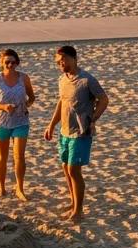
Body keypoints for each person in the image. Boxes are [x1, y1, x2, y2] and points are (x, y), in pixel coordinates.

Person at [44, 45, 108, 224]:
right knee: (66, 168)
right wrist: (51, 125)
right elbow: (61, 103)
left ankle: (79, 211)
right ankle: (74, 203)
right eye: (58, 62)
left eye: (63, 59)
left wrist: (94, 118)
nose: (60, 63)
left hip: (81, 132)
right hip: (64, 131)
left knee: (74, 170)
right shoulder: (62, 80)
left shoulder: (87, 80)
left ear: (74, 58)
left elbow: (104, 99)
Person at [0, 49, 36, 200]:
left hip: (21, 120)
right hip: (2, 121)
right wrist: (3, 107)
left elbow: (31, 97)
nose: (10, 65)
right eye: (7, 62)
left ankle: (20, 188)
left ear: (17, 63)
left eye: (13, 62)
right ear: (2, 63)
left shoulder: (24, 78)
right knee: (2, 156)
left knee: (19, 156)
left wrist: (27, 104)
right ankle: (2, 188)